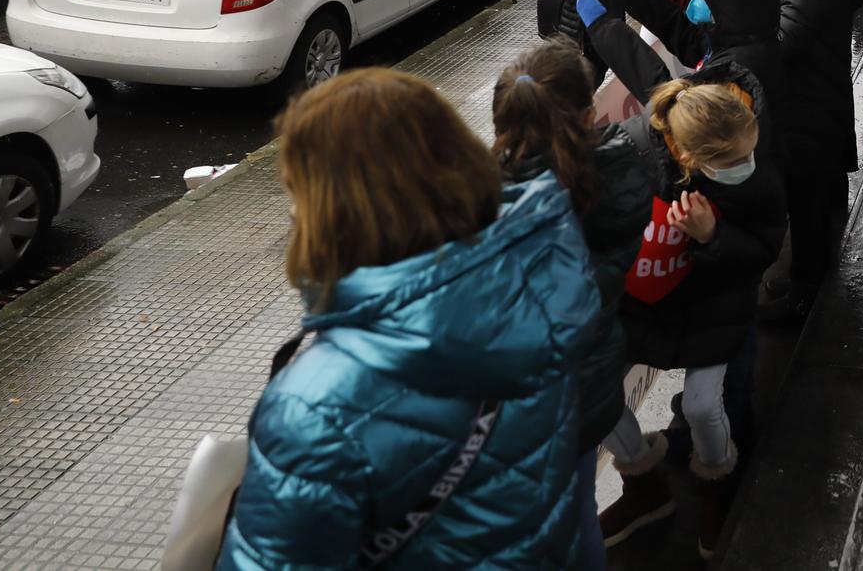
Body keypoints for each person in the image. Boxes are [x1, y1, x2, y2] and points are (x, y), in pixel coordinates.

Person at [218, 69, 599, 569]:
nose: (292, 213)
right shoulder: (535, 292)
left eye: (298, 191)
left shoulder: (315, 410)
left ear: (340, 209)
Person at [599, 75, 785, 559]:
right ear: (685, 156)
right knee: (590, 394)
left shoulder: (754, 175)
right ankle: (643, 483)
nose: (746, 166)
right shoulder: (632, 157)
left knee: (705, 405)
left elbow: (764, 249)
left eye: (750, 152)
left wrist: (712, 236)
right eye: (731, 162)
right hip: (644, 308)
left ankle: (717, 482)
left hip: (713, 310)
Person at [491, 41, 653, 567]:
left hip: (522, 404)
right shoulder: (624, 170)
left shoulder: (490, 202)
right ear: (589, 117)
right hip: (592, 380)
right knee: (577, 506)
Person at [768, 0, 863, 316]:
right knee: (815, 199)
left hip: (805, 106)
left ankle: (803, 294)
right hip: (818, 98)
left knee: (805, 207)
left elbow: (782, 44)